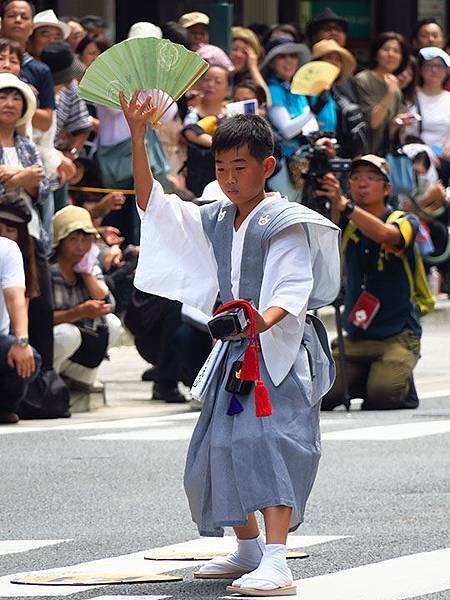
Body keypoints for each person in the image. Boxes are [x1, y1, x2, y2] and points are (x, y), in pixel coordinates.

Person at [121, 90, 340, 596]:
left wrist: (256, 323)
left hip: (280, 350)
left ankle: (278, 557)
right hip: (235, 349)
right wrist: (139, 136)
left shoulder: (286, 222)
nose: (228, 178)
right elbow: (153, 204)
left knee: (272, 444)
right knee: (219, 446)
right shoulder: (217, 216)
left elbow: (291, 290)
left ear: (267, 166)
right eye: (221, 167)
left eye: (239, 167)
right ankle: (246, 547)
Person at [318, 155, 422, 411]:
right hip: (356, 334)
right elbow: (326, 240)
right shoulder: (345, 221)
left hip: (397, 334)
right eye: (355, 178)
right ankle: (368, 375)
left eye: (370, 178)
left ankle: (390, 380)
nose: (361, 183)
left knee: (382, 397)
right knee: (323, 397)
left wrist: (347, 207)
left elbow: (387, 235)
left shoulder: (405, 220)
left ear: (387, 188)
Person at [50, 205, 122, 392]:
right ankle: (50, 378)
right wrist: (77, 312)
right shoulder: (49, 271)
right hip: (55, 343)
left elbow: (109, 304)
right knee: (67, 334)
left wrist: (86, 274)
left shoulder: (88, 266)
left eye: (86, 239)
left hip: (83, 345)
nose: (80, 246)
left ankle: (80, 378)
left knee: (112, 324)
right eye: (73, 239)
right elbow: (40, 319)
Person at [261, 38, 316, 201]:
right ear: (271, 63)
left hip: (301, 162)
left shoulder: (297, 89)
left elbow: (310, 126)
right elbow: (287, 130)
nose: (288, 61)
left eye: (292, 56)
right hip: (280, 163)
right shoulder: (272, 89)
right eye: (282, 57)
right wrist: (314, 111)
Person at [0, 234, 40, 424]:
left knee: (27, 357)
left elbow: (15, 297)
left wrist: (22, 341)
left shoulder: (6, 249)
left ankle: (4, 408)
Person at [0, 0, 55, 132]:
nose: (18, 20)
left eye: (24, 17)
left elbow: (46, 123)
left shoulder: (41, 70)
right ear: (1, 23)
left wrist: (23, 99)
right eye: (12, 15)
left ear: (31, 28)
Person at [355, 32, 410, 155]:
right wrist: (390, 93)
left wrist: (399, 124)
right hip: (365, 155)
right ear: (376, 54)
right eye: (386, 49)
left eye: (396, 51)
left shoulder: (395, 87)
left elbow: (391, 134)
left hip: (384, 155)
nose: (391, 54)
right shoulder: (364, 79)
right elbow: (373, 123)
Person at [404, 47, 450, 181]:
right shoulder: (410, 98)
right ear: (420, 69)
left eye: (439, 66)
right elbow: (406, 133)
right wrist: (425, 152)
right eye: (429, 65)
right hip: (417, 164)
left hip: (445, 163)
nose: (434, 70)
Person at [231, 26, 270, 105]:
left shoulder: (248, 77)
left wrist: (253, 67)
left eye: (244, 52)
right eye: (234, 49)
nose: (238, 55)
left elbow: (267, 103)